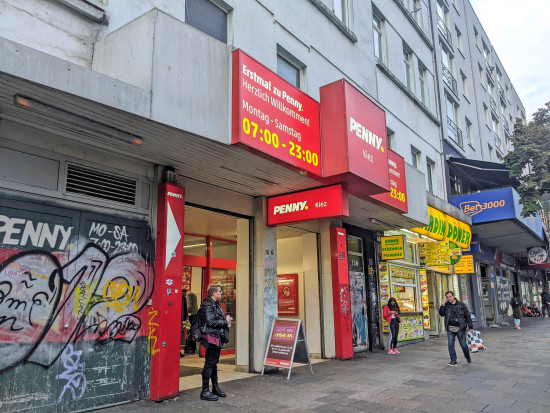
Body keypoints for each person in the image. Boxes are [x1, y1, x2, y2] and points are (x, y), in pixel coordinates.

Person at [198, 285, 233, 401]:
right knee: (210, 363)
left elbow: (215, 318)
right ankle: (205, 391)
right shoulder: (208, 304)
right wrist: (225, 321)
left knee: (213, 363)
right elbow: (211, 321)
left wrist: (225, 318)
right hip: (212, 337)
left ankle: (215, 388)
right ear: (214, 293)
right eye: (219, 291)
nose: (221, 293)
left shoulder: (214, 304)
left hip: (216, 337)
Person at [439, 291, 473, 366]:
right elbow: (441, 314)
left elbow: (467, 316)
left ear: (453, 296)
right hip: (450, 328)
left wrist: (471, 327)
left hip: (460, 328)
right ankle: (453, 360)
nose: (449, 298)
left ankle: (468, 358)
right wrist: (442, 306)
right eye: (447, 297)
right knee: (450, 345)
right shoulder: (446, 305)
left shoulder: (461, 305)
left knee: (463, 345)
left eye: (450, 296)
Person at [180, 290, 188, 357]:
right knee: (180, 335)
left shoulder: (183, 298)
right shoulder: (183, 298)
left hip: (181, 319)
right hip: (181, 319)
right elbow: (185, 310)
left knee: (181, 335)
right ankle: (178, 350)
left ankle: (178, 350)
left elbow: (185, 309)